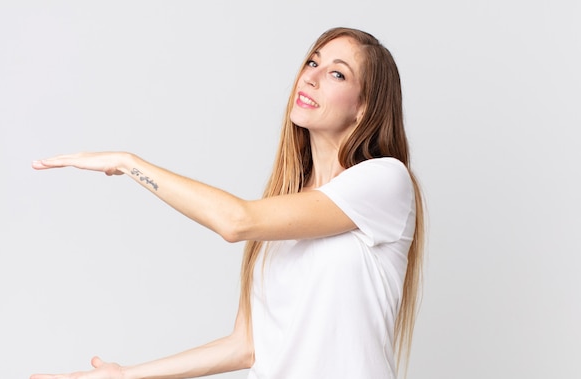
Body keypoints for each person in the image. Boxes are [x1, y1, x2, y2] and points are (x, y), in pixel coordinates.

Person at [30, 26, 425, 379]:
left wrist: (127, 163)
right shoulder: (280, 213)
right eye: (312, 61)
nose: (312, 77)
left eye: (337, 73)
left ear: (364, 107)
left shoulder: (384, 181)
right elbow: (246, 346)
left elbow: (235, 221)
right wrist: (125, 376)